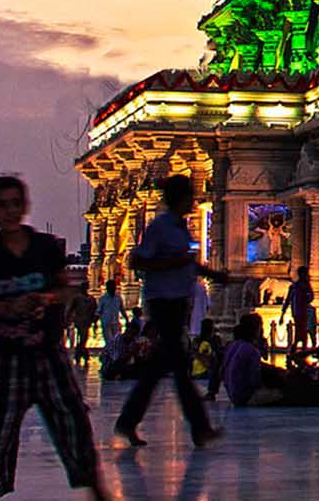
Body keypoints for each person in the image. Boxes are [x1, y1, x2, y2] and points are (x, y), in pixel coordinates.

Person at [0, 174, 108, 501]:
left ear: (25, 205)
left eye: (16, 203)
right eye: (3, 205)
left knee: (73, 420)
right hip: (5, 355)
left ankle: (98, 490)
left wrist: (46, 300)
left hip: (48, 351)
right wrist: (5, 307)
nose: (11, 211)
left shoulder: (45, 247)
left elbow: (64, 289)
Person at [115, 174, 233, 451]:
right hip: (163, 303)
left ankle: (128, 421)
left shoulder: (180, 229)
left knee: (159, 368)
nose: (193, 200)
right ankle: (199, 429)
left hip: (178, 302)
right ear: (179, 198)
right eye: (189, 195)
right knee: (179, 370)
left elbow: (187, 265)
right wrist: (171, 263)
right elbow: (138, 259)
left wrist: (214, 274)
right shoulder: (161, 227)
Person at [279, 266, 316, 356]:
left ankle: (299, 351)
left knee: (302, 333)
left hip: (303, 312)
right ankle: (299, 351)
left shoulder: (303, 286)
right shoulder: (296, 287)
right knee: (301, 333)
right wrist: (282, 315)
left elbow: (311, 297)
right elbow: (288, 300)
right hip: (299, 312)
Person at [95, 280, 124, 364]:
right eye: (110, 287)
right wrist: (95, 323)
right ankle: (108, 358)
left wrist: (126, 319)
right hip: (106, 323)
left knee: (116, 341)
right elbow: (99, 311)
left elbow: (122, 309)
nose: (113, 288)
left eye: (113, 286)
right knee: (109, 341)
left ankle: (113, 358)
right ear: (107, 288)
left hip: (115, 322)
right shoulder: (103, 299)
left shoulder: (118, 298)